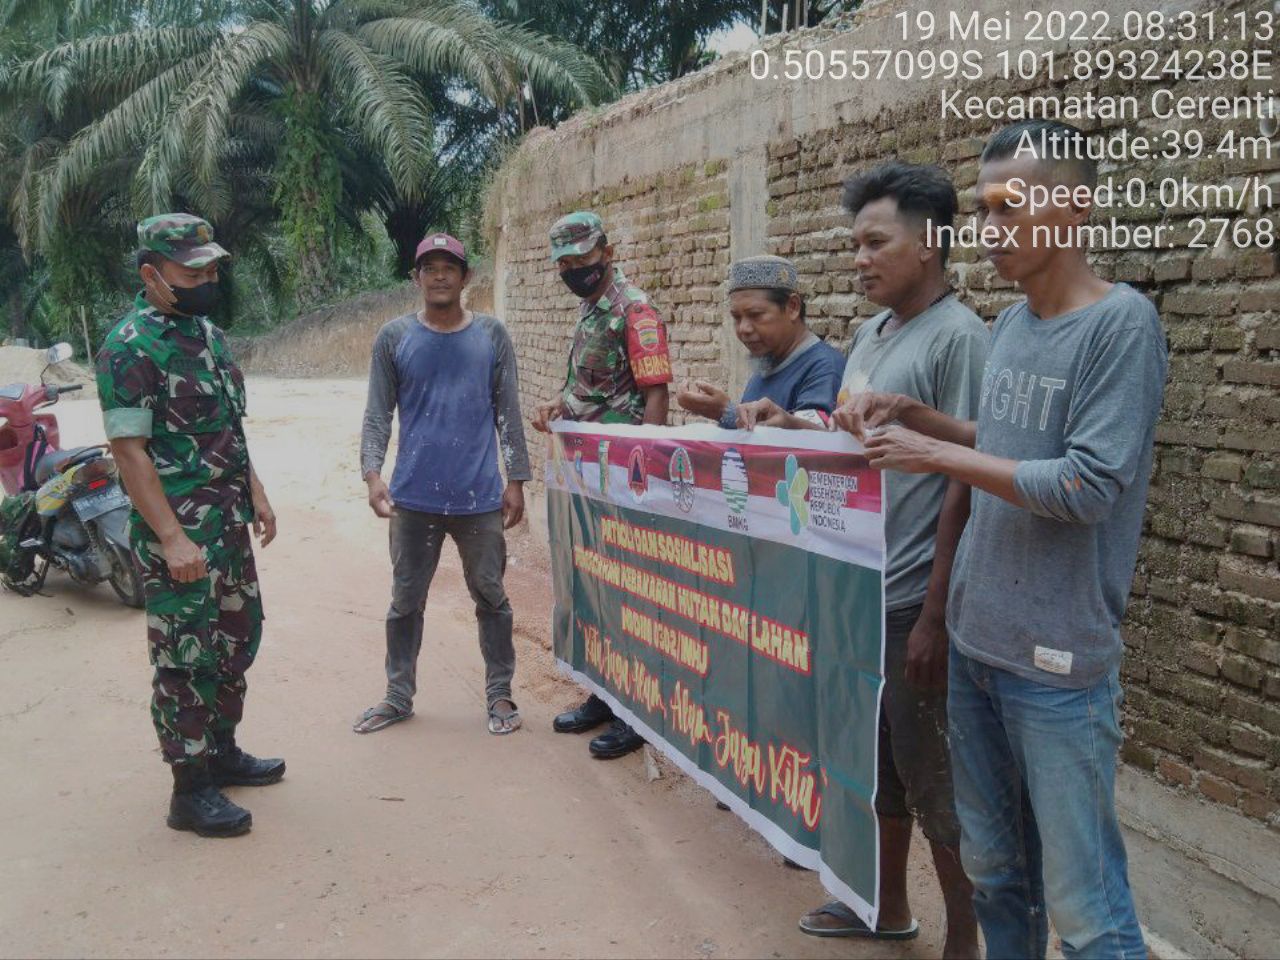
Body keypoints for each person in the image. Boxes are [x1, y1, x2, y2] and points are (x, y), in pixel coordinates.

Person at [840, 120, 1166, 960]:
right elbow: (1006, 440)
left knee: (1086, 907)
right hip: (980, 650)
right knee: (995, 875)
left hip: (1056, 664)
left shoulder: (1120, 326)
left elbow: (1088, 484)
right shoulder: (1016, 323)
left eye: (1010, 208)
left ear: (1076, 207)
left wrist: (935, 451)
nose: (990, 231)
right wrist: (920, 417)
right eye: (985, 211)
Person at [740, 165, 986, 956]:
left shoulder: (961, 338)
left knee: (933, 778)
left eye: (876, 242)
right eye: (856, 244)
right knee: (872, 767)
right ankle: (885, 907)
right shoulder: (874, 337)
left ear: (932, 243)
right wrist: (790, 424)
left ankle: (966, 939)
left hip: (915, 597)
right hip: (859, 587)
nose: (860, 258)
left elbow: (967, 480)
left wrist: (937, 616)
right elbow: (855, 444)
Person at [96, 213, 281, 838]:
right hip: (180, 535)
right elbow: (130, 452)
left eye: (211, 269)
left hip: (227, 525)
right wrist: (172, 538)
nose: (206, 279)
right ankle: (189, 787)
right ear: (152, 274)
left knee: (237, 637)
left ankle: (221, 751)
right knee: (185, 655)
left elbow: (231, 425)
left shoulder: (208, 335)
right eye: (191, 271)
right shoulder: (129, 347)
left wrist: (255, 491)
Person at [355, 233, 531, 737]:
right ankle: (397, 695)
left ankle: (500, 695)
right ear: (416, 278)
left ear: (465, 277)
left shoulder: (492, 336)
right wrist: (373, 475)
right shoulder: (394, 338)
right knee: (405, 600)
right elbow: (376, 416)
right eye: (428, 267)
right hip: (413, 498)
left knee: (491, 597)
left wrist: (515, 480)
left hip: (478, 498)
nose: (438, 275)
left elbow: (508, 413)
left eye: (448, 267)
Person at [532, 211, 673, 759]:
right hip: (590, 476)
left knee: (627, 595)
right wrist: (558, 404)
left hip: (625, 479)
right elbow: (589, 391)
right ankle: (603, 693)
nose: (574, 270)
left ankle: (635, 713)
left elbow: (656, 396)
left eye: (582, 259)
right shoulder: (591, 311)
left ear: (606, 252)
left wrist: (646, 482)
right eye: (564, 263)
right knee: (594, 585)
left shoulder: (634, 311)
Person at [676, 254, 842, 426]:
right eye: (737, 318)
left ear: (793, 307)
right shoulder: (767, 363)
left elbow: (810, 443)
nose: (743, 329)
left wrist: (726, 412)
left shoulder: (824, 368)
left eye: (755, 315)